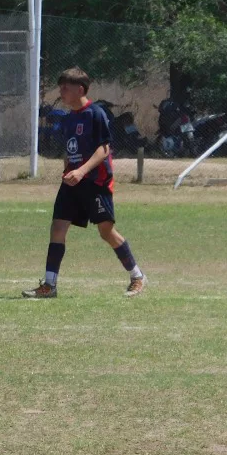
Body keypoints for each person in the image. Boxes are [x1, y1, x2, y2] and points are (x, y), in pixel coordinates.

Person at [22, 68, 147, 299]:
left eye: (65, 87)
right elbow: (71, 149)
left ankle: (137, 276)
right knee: (58, 227)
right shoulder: (69, 118)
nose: (61, 91)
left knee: (106, 232)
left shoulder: (96, 113)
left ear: (80, 89)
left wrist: (81, 171)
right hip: (72, 182)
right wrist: (68, 169)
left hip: (95, 181)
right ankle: (50, 285)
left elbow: (104, 149)